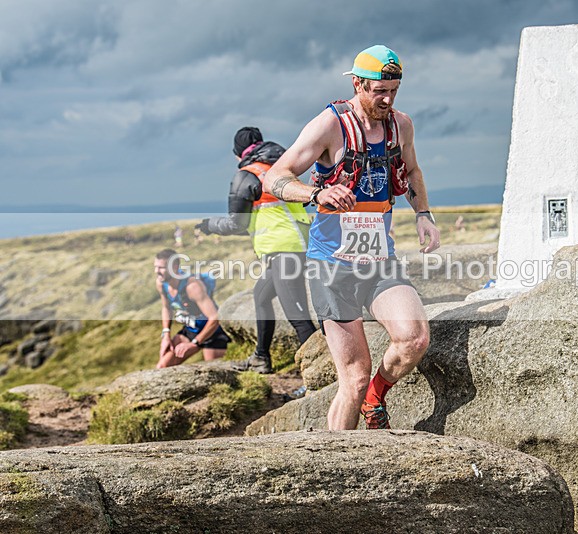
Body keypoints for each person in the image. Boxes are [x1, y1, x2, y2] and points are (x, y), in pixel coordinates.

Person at [258, 45, 440, 430]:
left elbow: (412, 171)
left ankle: (378, 396)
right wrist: (315, 194)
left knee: (414, 339)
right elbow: (274, 177)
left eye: (394, 91)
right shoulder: (330, 125)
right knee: (353, 378)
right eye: (379, 91)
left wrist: (423, 214)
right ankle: (337, 456)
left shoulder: (401, 126)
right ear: (358, 84)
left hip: (379, 262)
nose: (387, 100)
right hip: (332, 268)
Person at [195, 127, 317, 374]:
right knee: (261, 296)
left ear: (238, 153)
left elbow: (237, 223)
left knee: (299, 317)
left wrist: (209, 225)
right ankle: (261, 357)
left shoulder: (246, 176)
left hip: (284, 250)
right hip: (295, 245)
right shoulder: (283, 167)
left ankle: (323, 373)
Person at [154, 248, 230, 368]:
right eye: (156, 267)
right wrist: (166, 334)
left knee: (213, 372)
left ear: (174, 267)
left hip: (212, 331)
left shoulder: (192, 287)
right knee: (162, 366)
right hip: (192, 330)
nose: (156, 271)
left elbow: (215, 317)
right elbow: (166, 307)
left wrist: (194, 343)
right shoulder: (161, 283)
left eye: (161, 268)